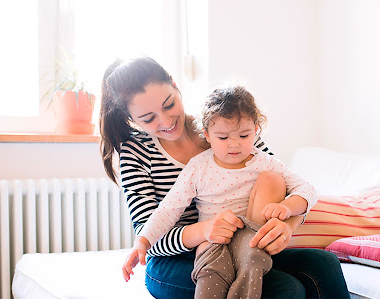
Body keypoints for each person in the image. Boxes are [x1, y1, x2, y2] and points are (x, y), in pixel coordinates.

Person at [100, 55, 350, 298]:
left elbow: (287, 185)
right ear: (131, 119)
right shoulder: (136, 152)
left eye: (168, 105)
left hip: (243, 243)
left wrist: (286, 227)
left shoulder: (226, 124)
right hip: (178, 259)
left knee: (324, 263)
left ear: (175, 86)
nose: (166, 121)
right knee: (286, 288)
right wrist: (206, 230)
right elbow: (150, 235)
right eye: (148, 118)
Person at [123, 85, 317, 298]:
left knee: (257, 263)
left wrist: (287, 210)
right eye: (223, 138)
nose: (234, 144)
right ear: (206, 135)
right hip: (212, 244)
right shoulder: (198, 166)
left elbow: (306, 189)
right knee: (212, 277)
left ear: (256, 130)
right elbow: (168, 210)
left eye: (244, 135)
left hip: (250, 243)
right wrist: (142, 241)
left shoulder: (264, 160)